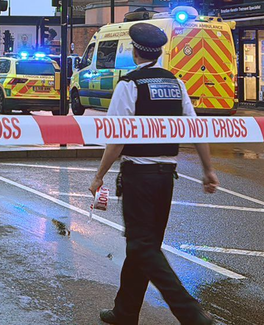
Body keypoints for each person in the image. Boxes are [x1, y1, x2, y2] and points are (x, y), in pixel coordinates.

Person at [90, 22, 218, 325]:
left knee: (141, 245)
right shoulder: (176, 84)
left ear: (134, 51)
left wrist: (99, 176)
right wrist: (208, 169)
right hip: (165, 179)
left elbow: (116, 139)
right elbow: (196, 129)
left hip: (139, 177)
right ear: (159, 52)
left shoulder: (129, 85)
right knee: (145, 246)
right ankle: (125, 311)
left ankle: (191, 313)